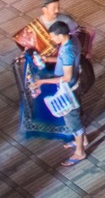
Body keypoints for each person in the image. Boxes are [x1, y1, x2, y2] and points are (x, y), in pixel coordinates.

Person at [29, 21, 87, 166]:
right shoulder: (72, 40)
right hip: (75, 83)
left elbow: (66, 77)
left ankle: (80, 153)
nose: (52, 40)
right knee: (77, 116)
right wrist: (48, 59)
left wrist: (42, 82)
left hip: (68, 89)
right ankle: (83, 140)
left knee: (73, 121)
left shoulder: (68, 51)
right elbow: (64, 60)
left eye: (53, 37)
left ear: (61, 36)